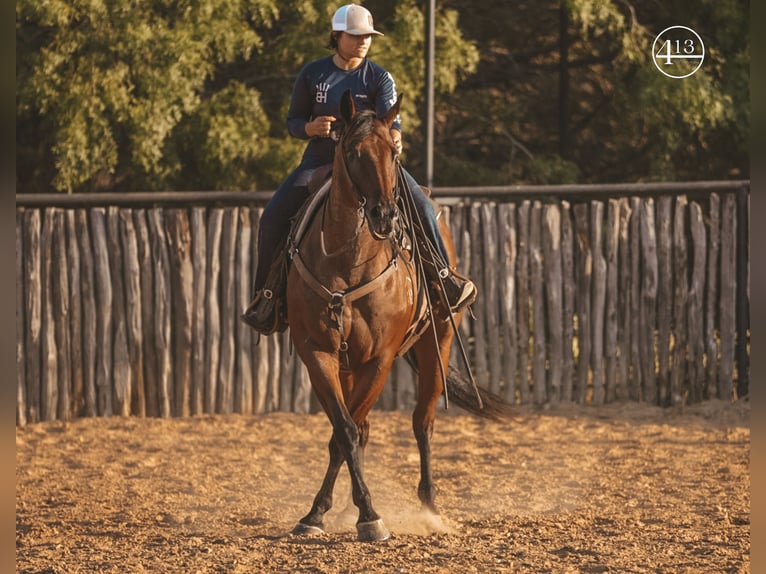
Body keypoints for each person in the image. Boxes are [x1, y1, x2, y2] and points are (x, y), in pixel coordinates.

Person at [242, 3, 476, 333]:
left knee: (423, 206)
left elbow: (393, 118)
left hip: (371, 162)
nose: (363, 41)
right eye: (356, 36)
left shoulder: (379, 77)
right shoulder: (313, 73)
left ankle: (445, 280)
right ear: (337, 36)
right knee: (272, 217)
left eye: (367, 36)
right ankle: (266, 298)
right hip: (320, 159)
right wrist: (309, 129)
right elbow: (293, 120)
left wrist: (395, 136)